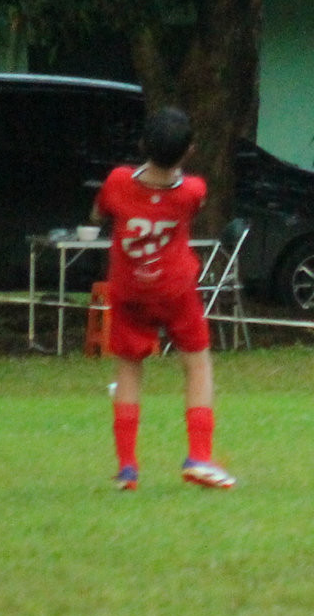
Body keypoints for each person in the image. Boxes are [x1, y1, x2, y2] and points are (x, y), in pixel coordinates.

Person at [91, 107, 235, 490]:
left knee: (128, 369)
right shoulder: (194, 191)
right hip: (174, 289)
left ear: (142, 144)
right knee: (197, 364)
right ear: (189, 150)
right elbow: (185, 204)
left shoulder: (118, 181)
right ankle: (199, 456)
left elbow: (98, 212)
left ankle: (127, 468)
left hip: (128, 288)